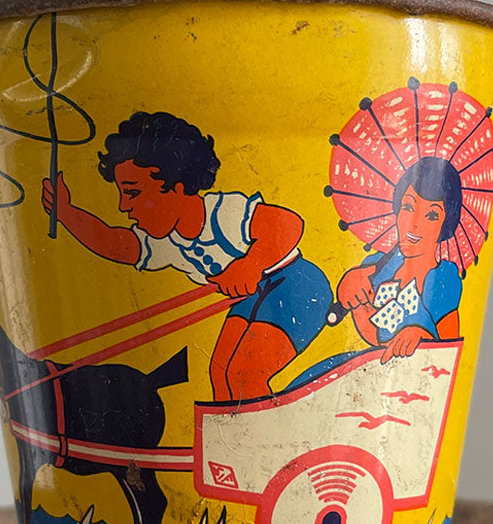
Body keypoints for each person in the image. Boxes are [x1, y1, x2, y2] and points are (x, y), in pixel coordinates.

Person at [42, 111, 329, 401]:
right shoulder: (166, 242)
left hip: (297, 287)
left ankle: (272, 441)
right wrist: (68, 214)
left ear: (176, 186)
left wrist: (250, 265)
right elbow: (119, 245)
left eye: (133, 193)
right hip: (251, 297)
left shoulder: (221, 213)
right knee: (221, 375)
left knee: (245, 374)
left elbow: (287, 224)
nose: (123, 206)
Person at [336, 156, 463, 362]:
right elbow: (370, 332)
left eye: (431, 216)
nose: (414, 225)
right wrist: (350, 289)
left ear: (446, 224)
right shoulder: (379, 265)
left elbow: (449, 354)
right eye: (408, 207)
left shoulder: (442, 281)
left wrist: (422, 337)